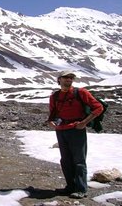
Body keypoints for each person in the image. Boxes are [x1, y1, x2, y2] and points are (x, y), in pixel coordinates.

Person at [47, 70, 103, 199]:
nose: (69, 79)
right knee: (65, 160)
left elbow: (98, 107)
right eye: (66, 77)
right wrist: (50, 121)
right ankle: (70, 187)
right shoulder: (55, 96)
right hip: (61, 130)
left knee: (79, 161)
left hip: (77, 130)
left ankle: (81, 189)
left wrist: (84, 122)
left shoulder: (81, 92)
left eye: (71, 78)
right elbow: (52, 112)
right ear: (59, 79)